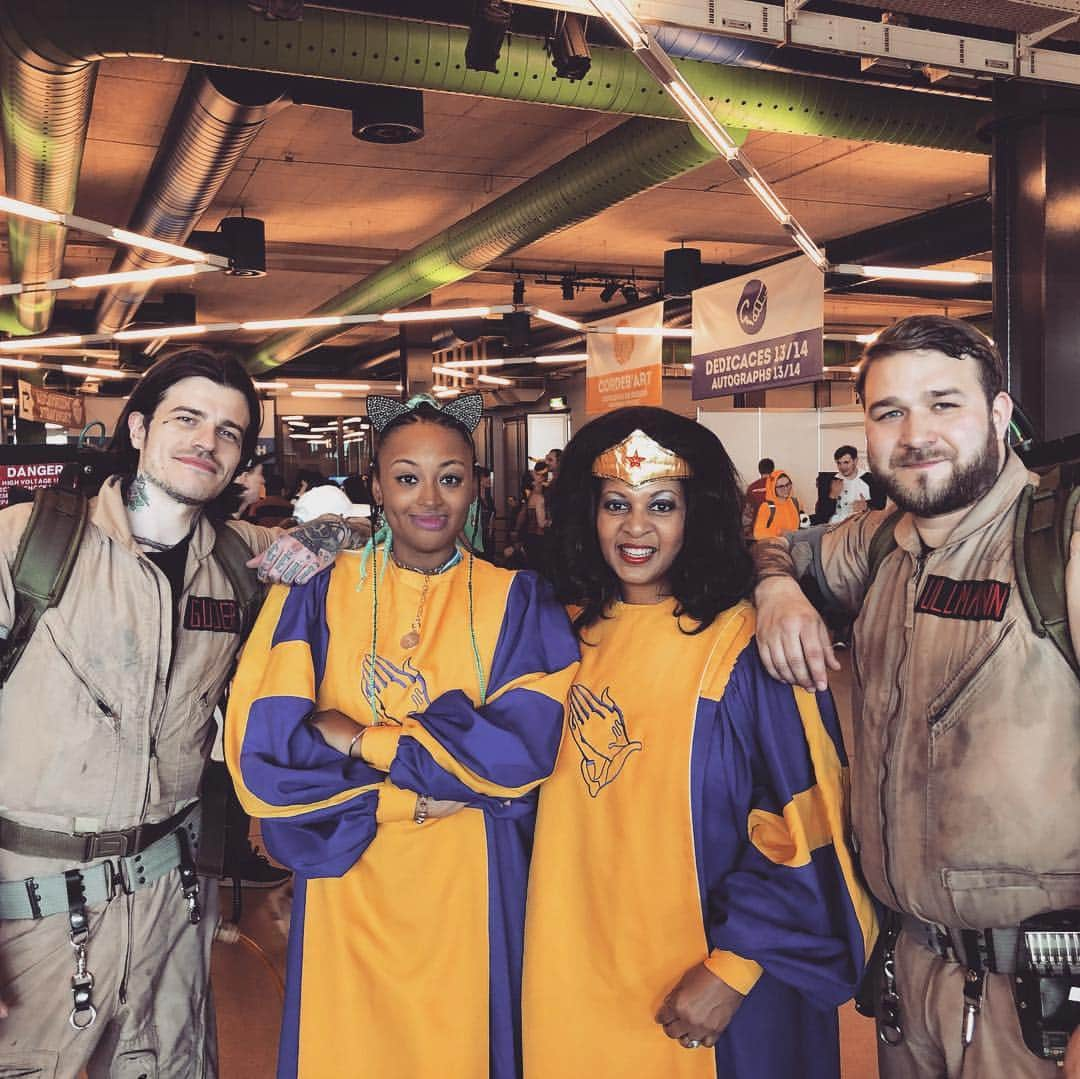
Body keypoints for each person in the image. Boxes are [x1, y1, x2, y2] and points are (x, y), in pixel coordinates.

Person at [0, 348, 369, 1079]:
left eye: (229, 432)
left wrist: (326, 535)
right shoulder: (25, 543)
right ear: (138, 428)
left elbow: (377, 536)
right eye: (187, 418)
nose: (207, 441)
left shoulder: (236, 561)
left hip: (171, 906)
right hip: (30, 916)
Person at [751, 314, 1080, 1079]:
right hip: (909, 971)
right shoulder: (879, 545)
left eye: (944, 403)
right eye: (889, 411)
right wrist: (776, 589)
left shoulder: (1058, 542)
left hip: (1039, 1004)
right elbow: (766, 546)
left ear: (999, 414)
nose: (915, 433)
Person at [225, 392, 579, 1079]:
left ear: (477, 484)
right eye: (407, 476)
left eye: (450, 477)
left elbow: (521, 752)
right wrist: (426, 787)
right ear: (377, 485)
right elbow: (267, 748)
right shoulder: (319, 589)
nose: (430, 498)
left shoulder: (519, 597)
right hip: (350, 878)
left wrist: (364, 741)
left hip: (469, 884)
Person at [523, 407, 876, 1079]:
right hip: (570, 974)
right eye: (614, 504)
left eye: (661, 505)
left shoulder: (743, 645)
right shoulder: (553, 637)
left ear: (698, 515)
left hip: (707, 990)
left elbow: (806, 817)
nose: (635, 527)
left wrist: (735, 967)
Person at [751, 469, 800, 540]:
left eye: (788, 484)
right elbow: (758, 533)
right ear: (773, 488)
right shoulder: (766, 507)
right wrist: (779, 533)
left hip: (794, 541)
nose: (786, 488)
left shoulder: (793, 502)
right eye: (781, 486)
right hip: (779, 544)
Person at [827, 445, 871, 524]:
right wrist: (832, 496)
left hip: (859, 525)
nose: (842, 467)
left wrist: (868, 507)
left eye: (846, 462)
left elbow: (881, 509)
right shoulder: (832, 480)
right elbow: (823, 514)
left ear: (855, 461)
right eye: (839, 463)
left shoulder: (870, 479)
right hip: (835, 526)